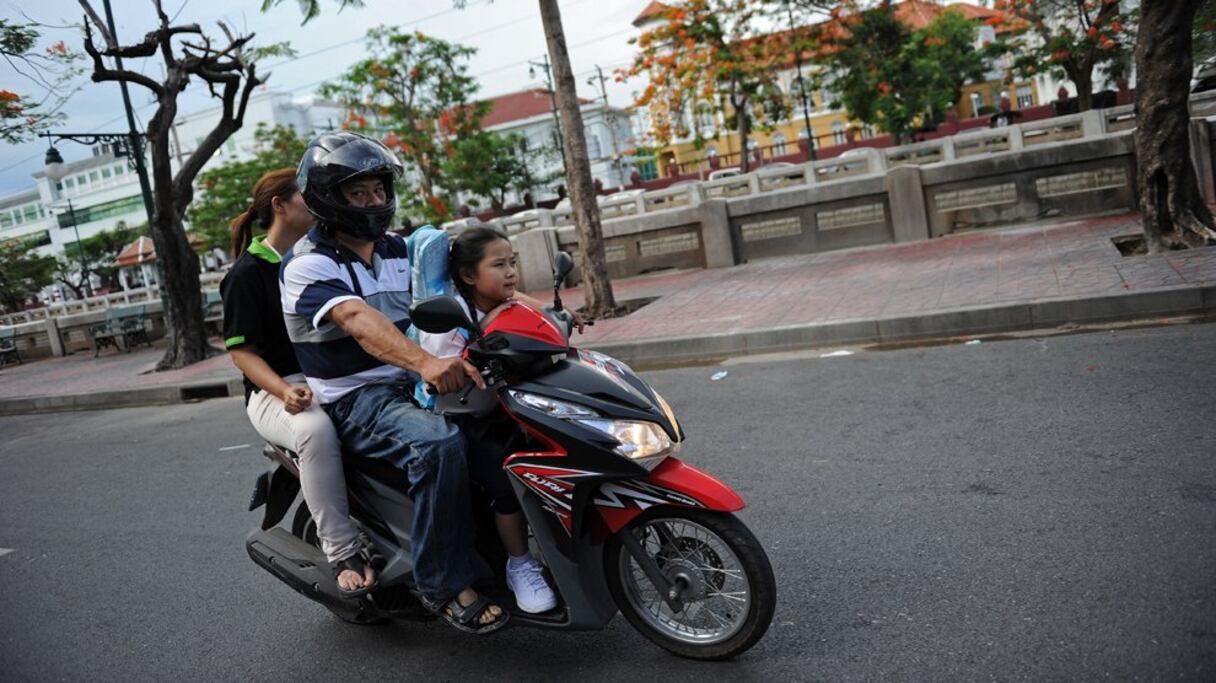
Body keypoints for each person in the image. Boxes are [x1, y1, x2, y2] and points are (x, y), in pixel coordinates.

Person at [280, 131, 506, 634]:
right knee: (439, 444)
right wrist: (423, 363)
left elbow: (478, 277)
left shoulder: (401, 248)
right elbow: (360, 321)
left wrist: (544, 316)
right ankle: (443, 583)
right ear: (326, 197)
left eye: (378, 190)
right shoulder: (308, 264)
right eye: (357, 193)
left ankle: (515, 554)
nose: (373, 201)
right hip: (358, 397)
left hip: (413, 382)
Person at [219, 168, 377, 597]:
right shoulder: (247, 274)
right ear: (280, 205)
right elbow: (243, 353)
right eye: (311, 198)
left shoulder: (330, 254)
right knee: (315, 429)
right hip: (281, 389)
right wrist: (284, 390)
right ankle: (342, 549)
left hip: (337, 374)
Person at [418, 227, 558, 614]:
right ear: (468, 275)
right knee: (506, 478)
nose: (510, 272)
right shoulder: (448, 317)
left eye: (512, 262)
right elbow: (444, 369)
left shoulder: (502, 299)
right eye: (498, 265)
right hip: (469, 418)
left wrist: (559, 316)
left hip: (515, 405)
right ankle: (520, 563)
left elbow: (532, 312)